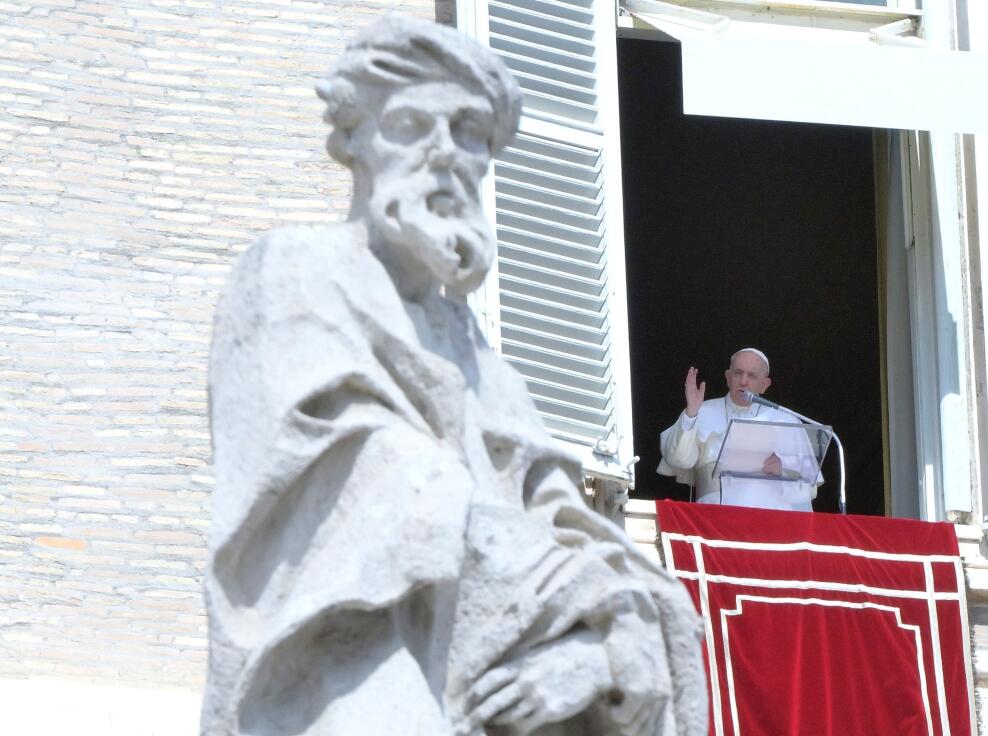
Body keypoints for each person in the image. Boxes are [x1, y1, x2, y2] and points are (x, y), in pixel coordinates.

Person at [202, 15, 706, 736]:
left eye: (469, 132)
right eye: (411, 123)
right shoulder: (292, 272)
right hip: (354, 653)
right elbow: (363, 479)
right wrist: (572, 599)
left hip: (493, 663)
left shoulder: (477, 353)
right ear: (355, 139)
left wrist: (607, 655)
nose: (445, 154)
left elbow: (561, 511)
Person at [657, 348, 822, 511]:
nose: (743, 381)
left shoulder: (786, 420)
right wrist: (691, 413)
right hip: (714, 516)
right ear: (728, 378)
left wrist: (783, 471)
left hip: (773, 521)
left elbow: (809, 490)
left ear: (764, 385)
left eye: (752, 375)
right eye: (738, 373)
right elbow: (677, 460)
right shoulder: (702, 411)